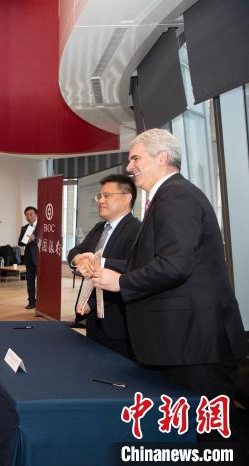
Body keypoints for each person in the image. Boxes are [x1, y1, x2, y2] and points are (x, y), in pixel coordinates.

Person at [92, 128, 247, 397]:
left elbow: (175, 266)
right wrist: (107, 267)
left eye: (135, 158)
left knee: (202, 421)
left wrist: (121, 282)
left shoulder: (176, 196)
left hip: (194, 342)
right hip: (183, 340)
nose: (129, 167)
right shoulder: (169, 195)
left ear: (162, 158)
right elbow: (151, 261)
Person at [67, 174, 141, 358]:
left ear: (127, 198)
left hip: (117, 322)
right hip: (93, 320)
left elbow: (133, 268)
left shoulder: (136, 230)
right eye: (99, 196)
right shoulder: (99, 228)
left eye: (106, 196)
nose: (100, 200)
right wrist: (79, 259)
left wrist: (98, 262)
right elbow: (76, 251)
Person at [18, 206, 38, 309]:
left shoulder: (43, 226)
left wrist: (35, 239)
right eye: (27, 215)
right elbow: (20, 243)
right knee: (30, 281)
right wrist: (26, 240)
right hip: (29, 258)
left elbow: (47, 239)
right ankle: (31, 302)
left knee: (42, 282)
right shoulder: (24, 228)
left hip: (40, 258)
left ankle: (42, 301)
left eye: (31, 214)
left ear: (36, 214)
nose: (29, 216)